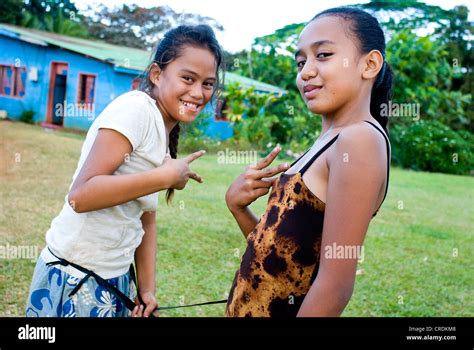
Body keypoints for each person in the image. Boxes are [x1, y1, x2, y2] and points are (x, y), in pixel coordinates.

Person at [26, 24, 224, 317]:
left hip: (112, 277)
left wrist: (146, 290)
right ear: (156, 75)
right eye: (188, 78)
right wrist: (164, 177)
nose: (198, 92)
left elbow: (147, 220)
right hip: (76, 276)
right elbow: (80, 197)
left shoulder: (161, 132)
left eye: (207, 83)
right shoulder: (136, 110)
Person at [225, 7, 392, 317]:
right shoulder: (328, 140)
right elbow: (278, 255)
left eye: (323, 55)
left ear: (369, 64)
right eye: (300, 62)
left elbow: (334, 285)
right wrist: (238, 207)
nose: (305, 72)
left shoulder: (359, 142)